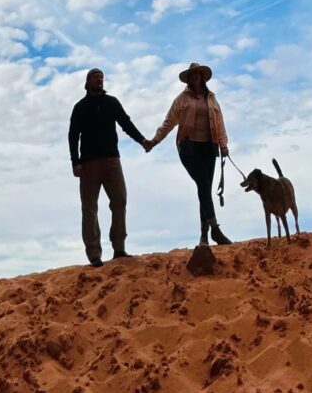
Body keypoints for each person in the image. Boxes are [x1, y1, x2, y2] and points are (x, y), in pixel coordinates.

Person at [68, 68, 149, 267]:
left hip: (112, 160)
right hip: (88, 164)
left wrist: (142, 141)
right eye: (95, 77)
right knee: (89, 207)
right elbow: (73, 135)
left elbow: (126, 123)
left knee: (120, 200)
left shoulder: (111, 102)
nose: (99, 80)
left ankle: (119, 247)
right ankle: (94, 253)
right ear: (87, 82)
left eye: (102, 77)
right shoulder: (80, 107)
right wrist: (75, 161)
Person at [147, 61, 232, 246]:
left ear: (202, 77)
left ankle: (204, 236)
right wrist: (154, 141)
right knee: (202, 183)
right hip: (188, 146)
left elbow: (220, 123)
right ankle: (215, 230)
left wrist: (224, 145)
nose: (195, 77)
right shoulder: (182, 99)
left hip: (209, 146)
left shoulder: (212, 99)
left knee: (204, 189)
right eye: (192, 75)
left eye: (197, 74)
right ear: (188, 79)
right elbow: (168, 122)